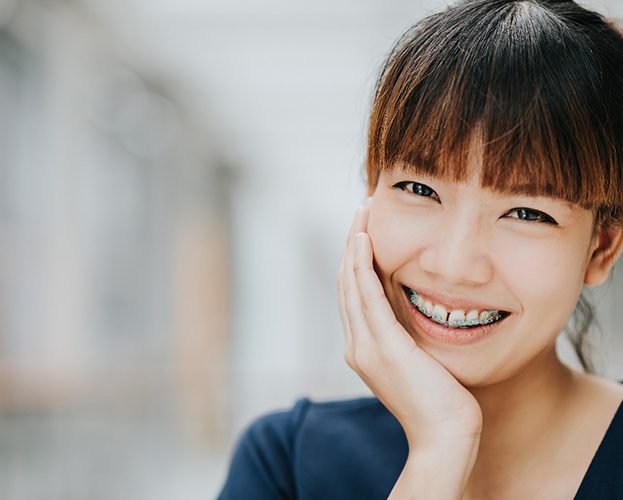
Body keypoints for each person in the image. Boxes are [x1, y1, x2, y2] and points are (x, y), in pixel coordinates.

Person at [218, 0, 623, 498]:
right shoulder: (287, 464)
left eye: (526, 214)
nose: (453, 266)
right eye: (419, 189)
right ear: (371, 190)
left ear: (601, 248)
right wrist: (440, 446)